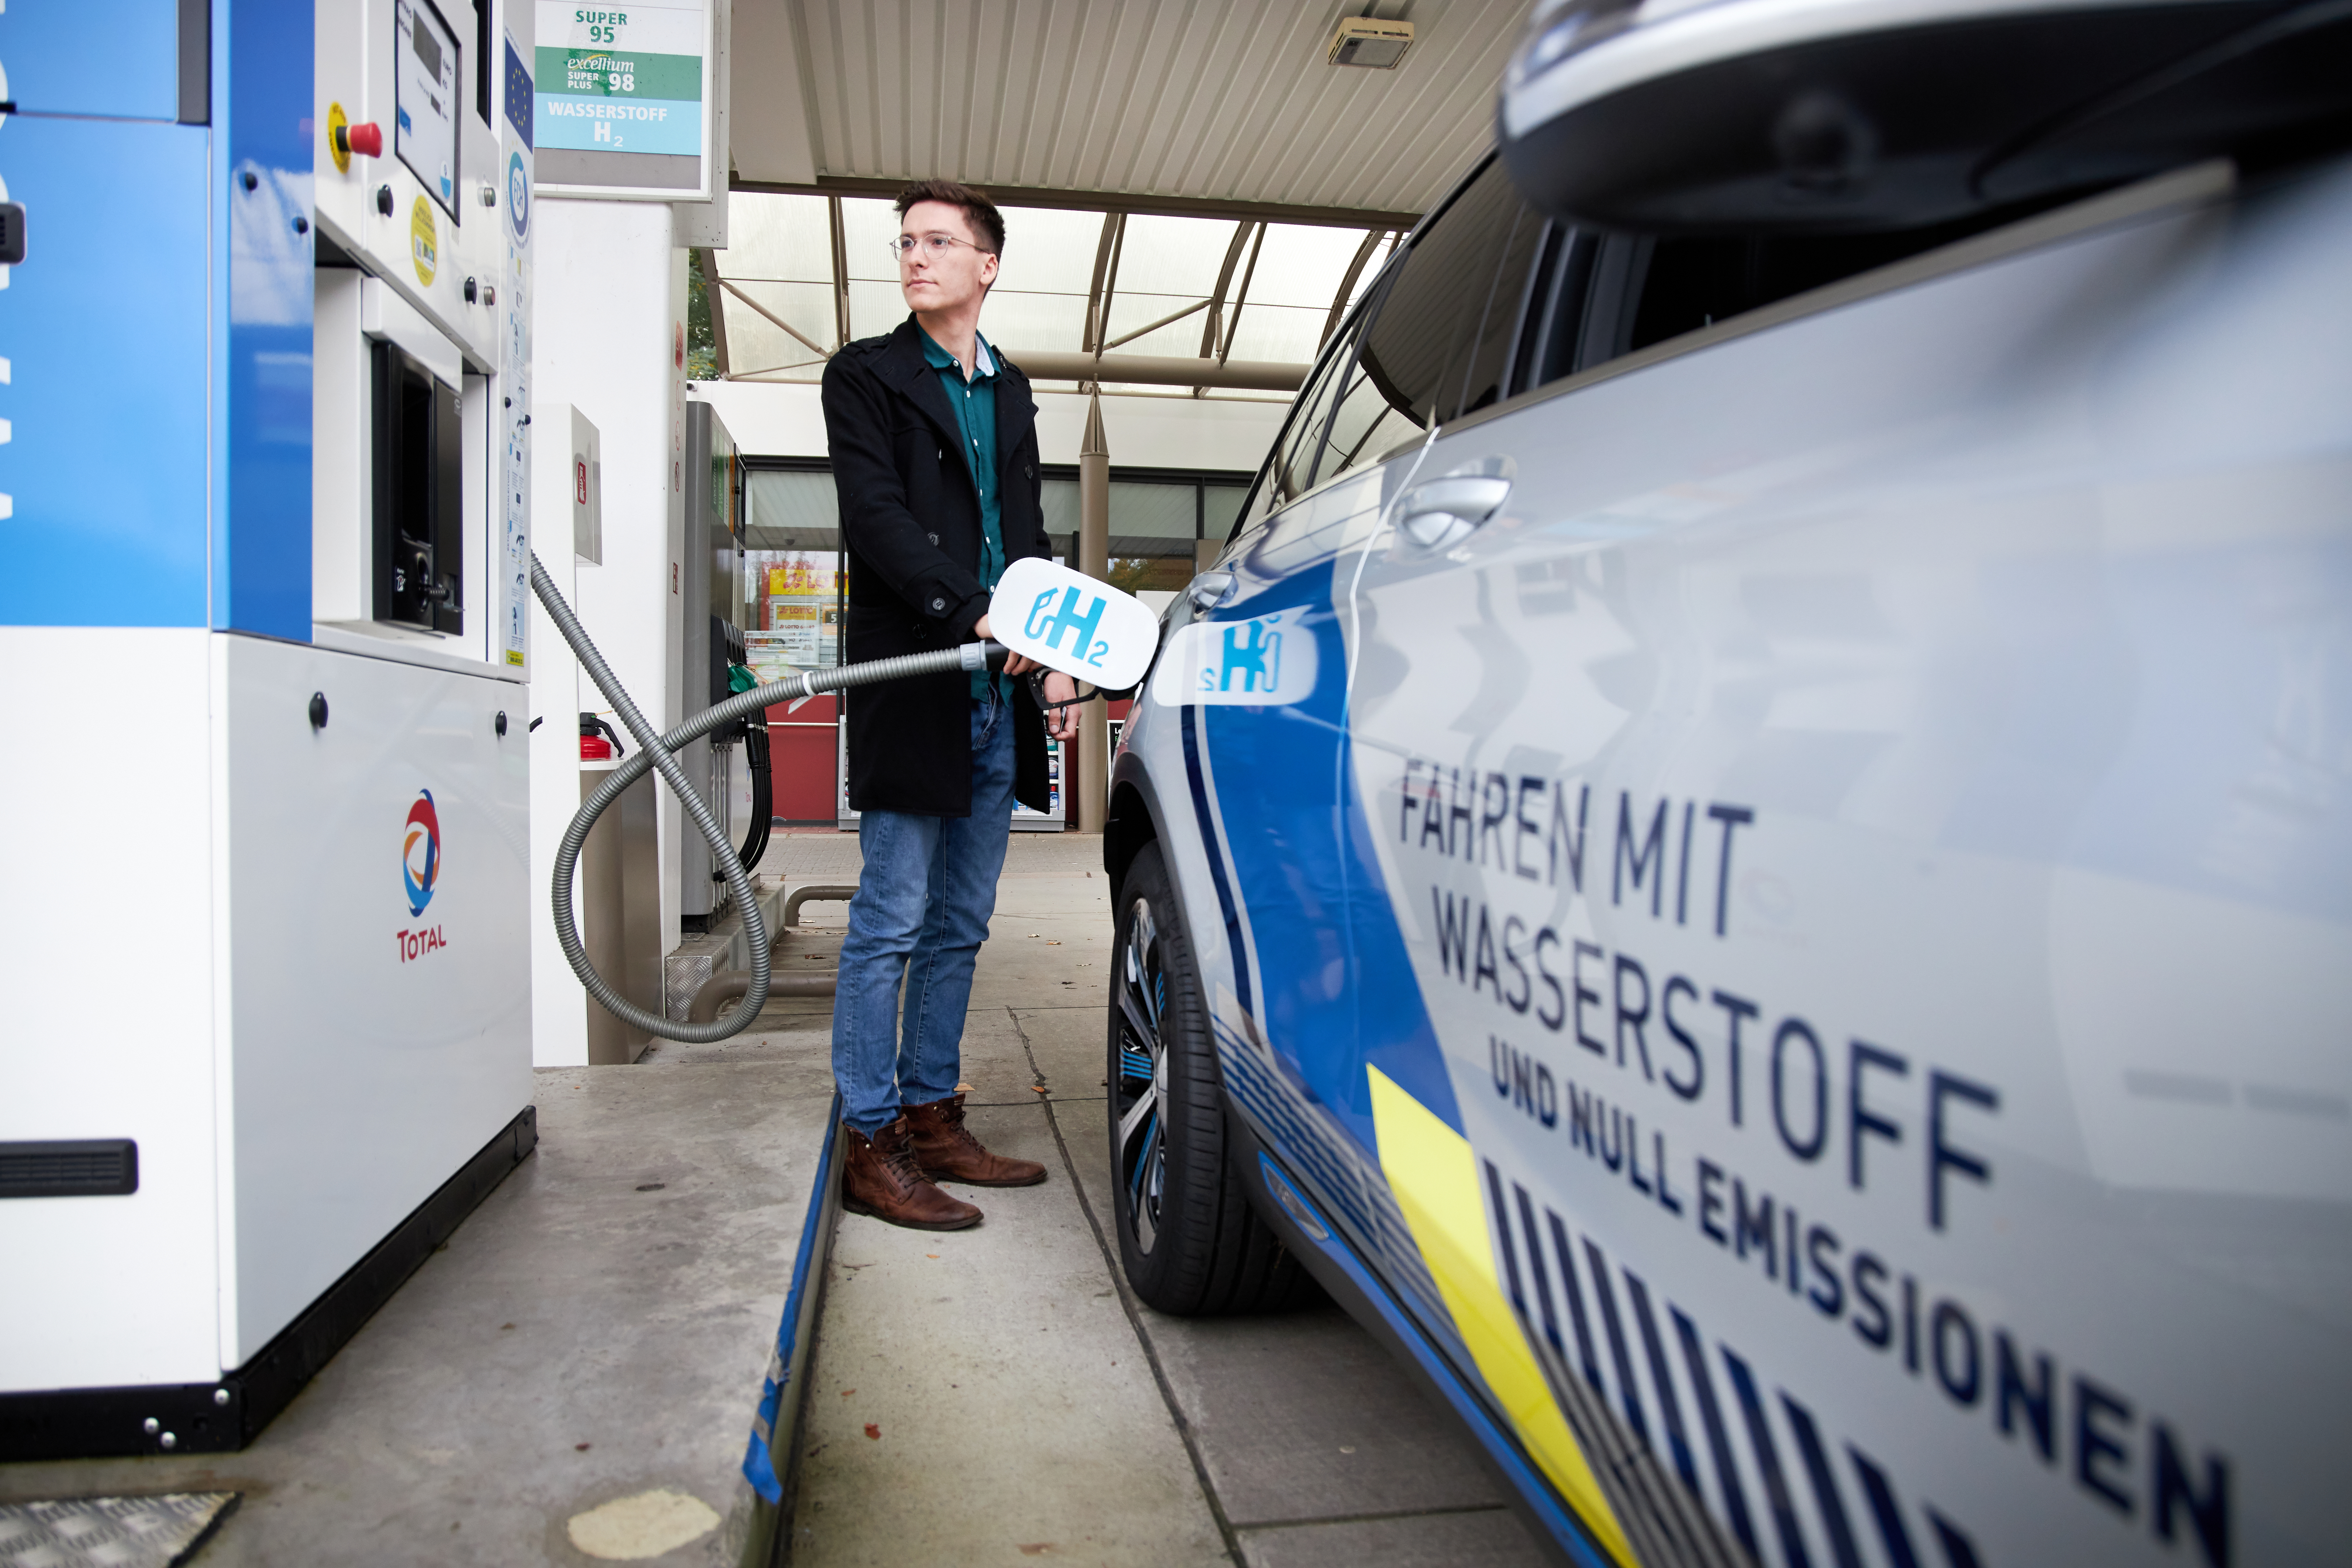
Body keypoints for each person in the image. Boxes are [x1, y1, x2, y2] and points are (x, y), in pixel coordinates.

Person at [820, 179, 1080, 1231]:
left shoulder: (1011, 392)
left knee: (960, 924)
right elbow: (875, 519)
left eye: (938, 242)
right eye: (906, 242)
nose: (915, 256)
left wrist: (1056, 655)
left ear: (988, 264)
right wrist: (972, 614)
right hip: (918, 677)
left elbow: (1028, 533)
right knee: (889, 919)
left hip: (999, 692)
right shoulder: (865, 376)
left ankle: (933, 1116)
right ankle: (869, 1139)